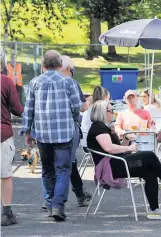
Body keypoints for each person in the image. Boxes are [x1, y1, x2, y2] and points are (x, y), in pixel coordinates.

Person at [20, 50, 81, 221]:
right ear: (61, 65)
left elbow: (29, 110)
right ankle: (58, 206)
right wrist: (75, 119)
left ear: (43, 65)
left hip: (43, 135)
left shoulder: (34, 82)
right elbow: (77, 106)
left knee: (47, 170)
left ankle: (49, 203)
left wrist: (27, 131)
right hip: (64, 134)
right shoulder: (69, 82)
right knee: (63, 170)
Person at [87, 100, 161, 220]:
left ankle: (154, 209)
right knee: (149, 156)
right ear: (102, 112)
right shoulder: (98, 127)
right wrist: (129, 147)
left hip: (116, 161)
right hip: (110, 167)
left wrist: (126, 138)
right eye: (111, 111)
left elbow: (117, 148)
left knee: (150, 170)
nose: (113, 113)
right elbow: (109, 148)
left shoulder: (105, 127)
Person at [59, 55, 92, 206]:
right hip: (70, 127)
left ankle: (78, 192)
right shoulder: (71, 83)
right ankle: (64, 197)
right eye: (72, 70)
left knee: (56, 162)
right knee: (69, 162)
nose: (73, 72)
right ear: (67, 69)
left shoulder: (44, 82)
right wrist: (89, 101)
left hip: (48, 129)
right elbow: (81, 107)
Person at [1, 58, 24, 226]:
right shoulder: (6, 82)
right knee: (5, 174)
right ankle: (6, 213)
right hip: (2, 134)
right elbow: (18, 109)